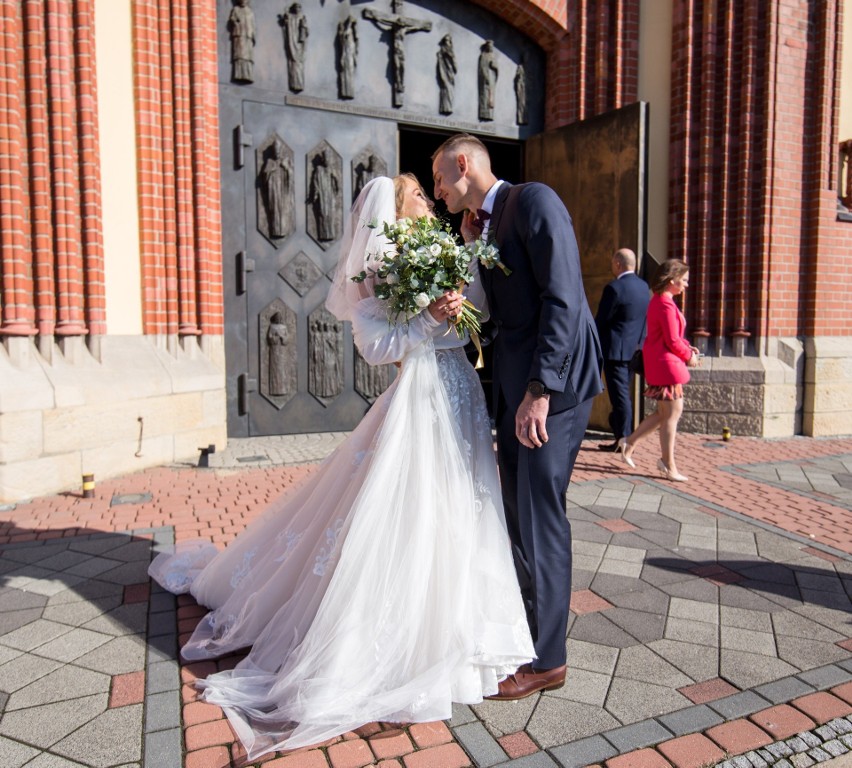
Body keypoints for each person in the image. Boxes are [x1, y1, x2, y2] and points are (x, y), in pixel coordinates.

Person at [148, 174, 533, 759]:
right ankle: (393, 646)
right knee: (411, 511)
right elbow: (377, 347)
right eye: (417, 197)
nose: (428, 202)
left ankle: (468, 632)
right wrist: (429, 315)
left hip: (462, 393)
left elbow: (472, 311)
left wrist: (457, 304)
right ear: (394, 210)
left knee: (466, 505)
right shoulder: (381, 266)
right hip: (420, 398)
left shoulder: (444, 247)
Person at [431, 134, 603, 700]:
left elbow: (563, 299)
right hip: (515, 386)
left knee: (539, 514)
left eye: (439, 180)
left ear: (464, 165)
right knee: (515, 514)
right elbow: (495, 314)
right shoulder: (481, 227)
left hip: (552, 388)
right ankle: (527, 632)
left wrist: (539, 391)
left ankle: (548, 659)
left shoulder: (533, 201)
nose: (436, 193)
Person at [619, 258, 701, 482]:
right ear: (672, 279)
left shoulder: (662, 301)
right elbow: (673, 340)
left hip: (663, 364)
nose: (686, 284)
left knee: (664, 414)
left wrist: (687, 348)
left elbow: (673, 338)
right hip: (666, 366)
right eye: (684, 280)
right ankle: (667, 464)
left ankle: (629, 442)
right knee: (671, 415)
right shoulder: (664, 304)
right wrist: (690, 357)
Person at [594, 248, 650, 452]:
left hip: (615, 352)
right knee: (622, 395)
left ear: (618, 264)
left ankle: (624, 440)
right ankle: (620, 434)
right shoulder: (644, 287)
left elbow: (601, 321)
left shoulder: (615, 288)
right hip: (633, 351)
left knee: (620, 398)